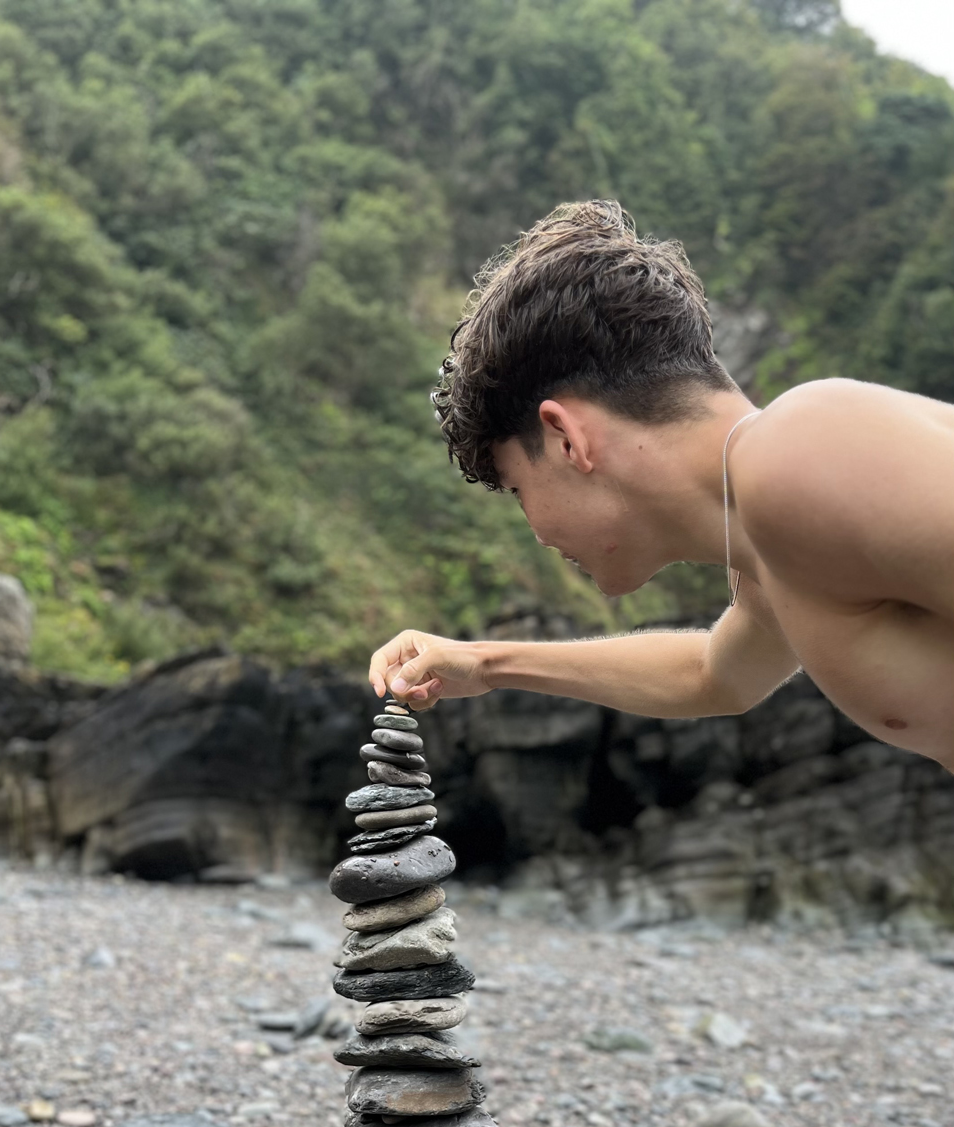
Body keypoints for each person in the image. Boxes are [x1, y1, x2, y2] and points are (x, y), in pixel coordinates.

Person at [369, 199, 954, 772]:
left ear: (566, 438)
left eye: (520, 490)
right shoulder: (764, 558)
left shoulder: (803, 450)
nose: (539, 534)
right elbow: (710, 676)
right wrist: (485, 663)